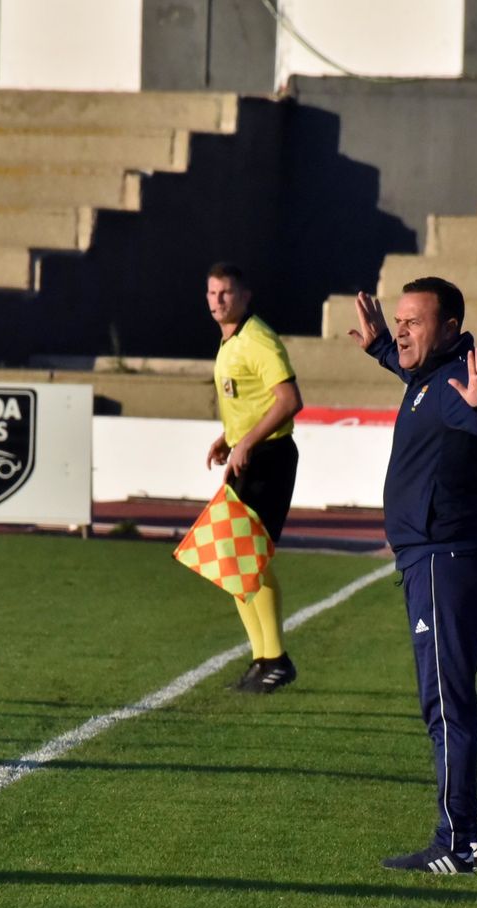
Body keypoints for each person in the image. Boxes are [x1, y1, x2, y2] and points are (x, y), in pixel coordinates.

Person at [347, 276, 477, 874]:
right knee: (442, 700)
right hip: (433, 561)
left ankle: (460, 844)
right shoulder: (427, 377)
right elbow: (408, 369)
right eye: (398, 321)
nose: (401, 331)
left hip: (445, 562)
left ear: (449, 330)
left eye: (414, 322)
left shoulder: (453, 386)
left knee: (446, 704)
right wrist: (378, 349)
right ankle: (459, 839)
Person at [204, 262, 302, 693]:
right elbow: (252, 400)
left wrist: (247, 442)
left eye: (226, 292)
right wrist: (230, 436)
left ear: (245, 295)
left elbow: (289, 400)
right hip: (250, 454)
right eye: (211, 293)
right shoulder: (231, 341)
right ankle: (264, 659)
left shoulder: (257, 338)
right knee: (232, 560)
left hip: (269, 457)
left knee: (246, 558)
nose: (217, 300)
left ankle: (275, 659)